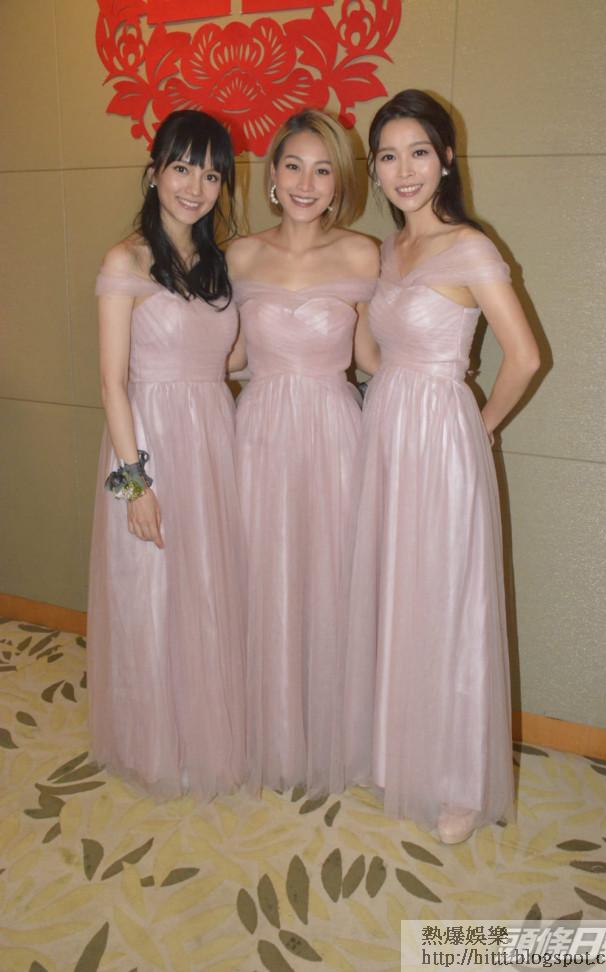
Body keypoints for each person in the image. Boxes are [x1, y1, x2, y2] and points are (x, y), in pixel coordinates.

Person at [345, 89, 541, 843]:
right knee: (398, 590)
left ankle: (460, 780)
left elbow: (525, 358)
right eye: (389, 156)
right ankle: (401, 751)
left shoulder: (471, 248)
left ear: (447, 159)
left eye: (419, 153)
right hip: (386, 426)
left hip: (443, 435)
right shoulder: (387, 251)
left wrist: (481, 429)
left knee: (449, 598)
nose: (404, 171)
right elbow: (373, 357)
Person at [87, 109, 246, 798]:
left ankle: (205, 731)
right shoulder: (125, 261)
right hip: (145, 445)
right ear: (154, 172)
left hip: (214, 436)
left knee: (207, 590)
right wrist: (134, 484)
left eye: (210, 175)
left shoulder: (219, 263)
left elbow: (230, 359)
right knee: (150, 595)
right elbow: (109, 383)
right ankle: (154, 742)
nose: (195, 187)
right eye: (182, 168)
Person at [226, 109, 379, 797]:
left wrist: (437, 383)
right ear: (273, 174)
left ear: (340, 181)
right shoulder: (240, 256)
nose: (306, 183)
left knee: (332, 578)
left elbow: (371, 356)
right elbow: (229, 355)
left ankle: (332, 732)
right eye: (294, 166)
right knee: (258, 576)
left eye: (323, 170)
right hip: (257, 432)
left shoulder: (363, 254)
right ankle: (266, 731)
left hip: (335, 433)